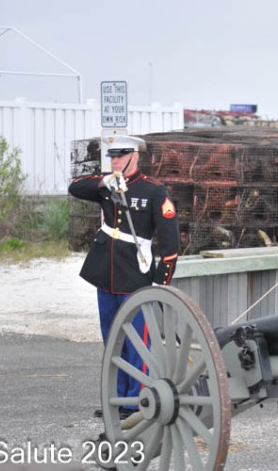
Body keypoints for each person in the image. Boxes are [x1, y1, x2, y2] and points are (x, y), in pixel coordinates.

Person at [68, 134, 180, 418]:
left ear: (135, 156)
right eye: (113, 157)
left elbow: (170, 246)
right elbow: (75, 187)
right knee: (112, 338)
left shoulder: (154, 191)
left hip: (135, 274)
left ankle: (135, 402)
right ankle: (117, 399)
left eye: (120, 156)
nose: (115, 161)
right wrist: (105, 181)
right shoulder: (107, 184)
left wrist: (159, 284)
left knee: (137, 343)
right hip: (106, 272)